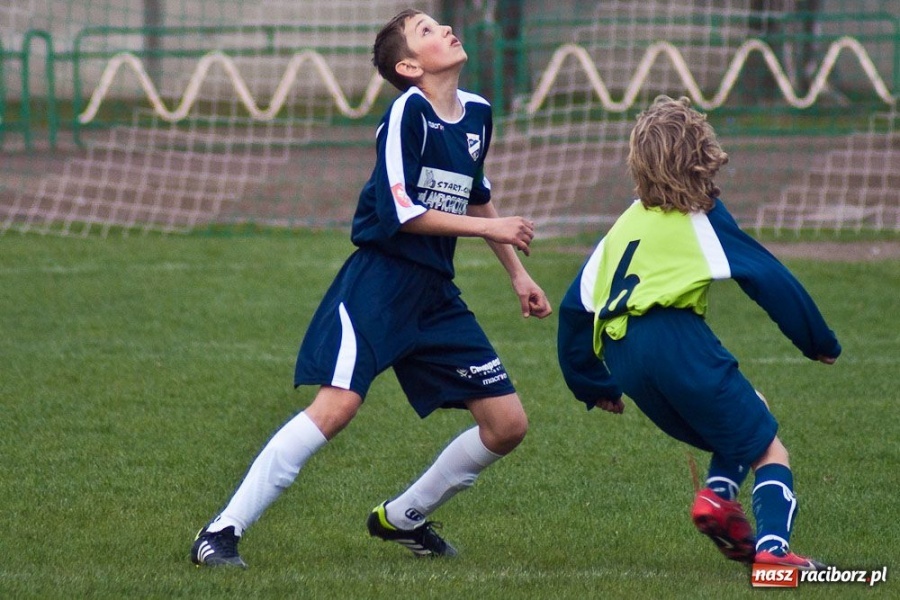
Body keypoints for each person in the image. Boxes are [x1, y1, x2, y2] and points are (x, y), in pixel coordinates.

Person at [190, 9, 552, 568]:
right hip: (379, 285)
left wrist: (517, 274)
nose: (443, 29)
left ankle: (403, 517)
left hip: (434, 295)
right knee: (336, 407)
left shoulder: (478, 112)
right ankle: (220, 532)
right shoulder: (407, 113)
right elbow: (401, 212)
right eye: (425, 31)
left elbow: (476, 194)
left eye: (438, 23)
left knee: (507, 426)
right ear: (409, 67)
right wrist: (490, 229)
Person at [556, 96, 840, 571]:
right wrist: (818, 341)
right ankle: (773, 553)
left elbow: (573, 310)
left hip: (624, 358)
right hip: (675, 340)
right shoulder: (702, 215)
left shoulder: (622, 227)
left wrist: (593, 384)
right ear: (702, 157)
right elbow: (768, 278)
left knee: (747, 413)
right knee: (768, 447)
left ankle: (718, 499)